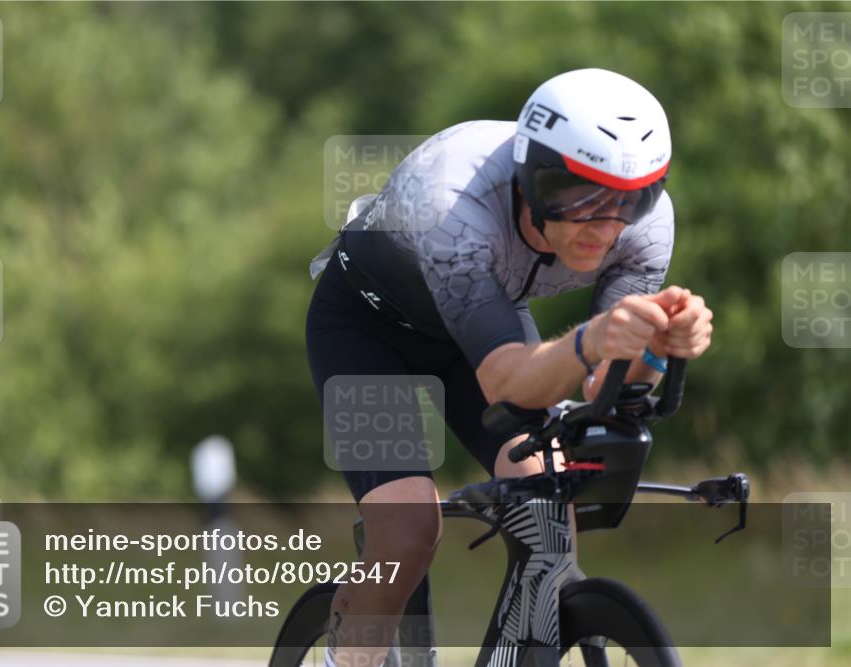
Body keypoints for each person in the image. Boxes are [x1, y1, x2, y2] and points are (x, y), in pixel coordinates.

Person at [305, 68, 713, 667]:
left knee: (548, 492)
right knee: (409, 530)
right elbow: (503, 381)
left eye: (631, 197)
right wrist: (594, 337)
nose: (605, 226)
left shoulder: (644, 228)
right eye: (581, 198)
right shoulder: (455, 201)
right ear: (534, 180)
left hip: (481, 325)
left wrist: (657, 348)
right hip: (368, 332)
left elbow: (606, 386)